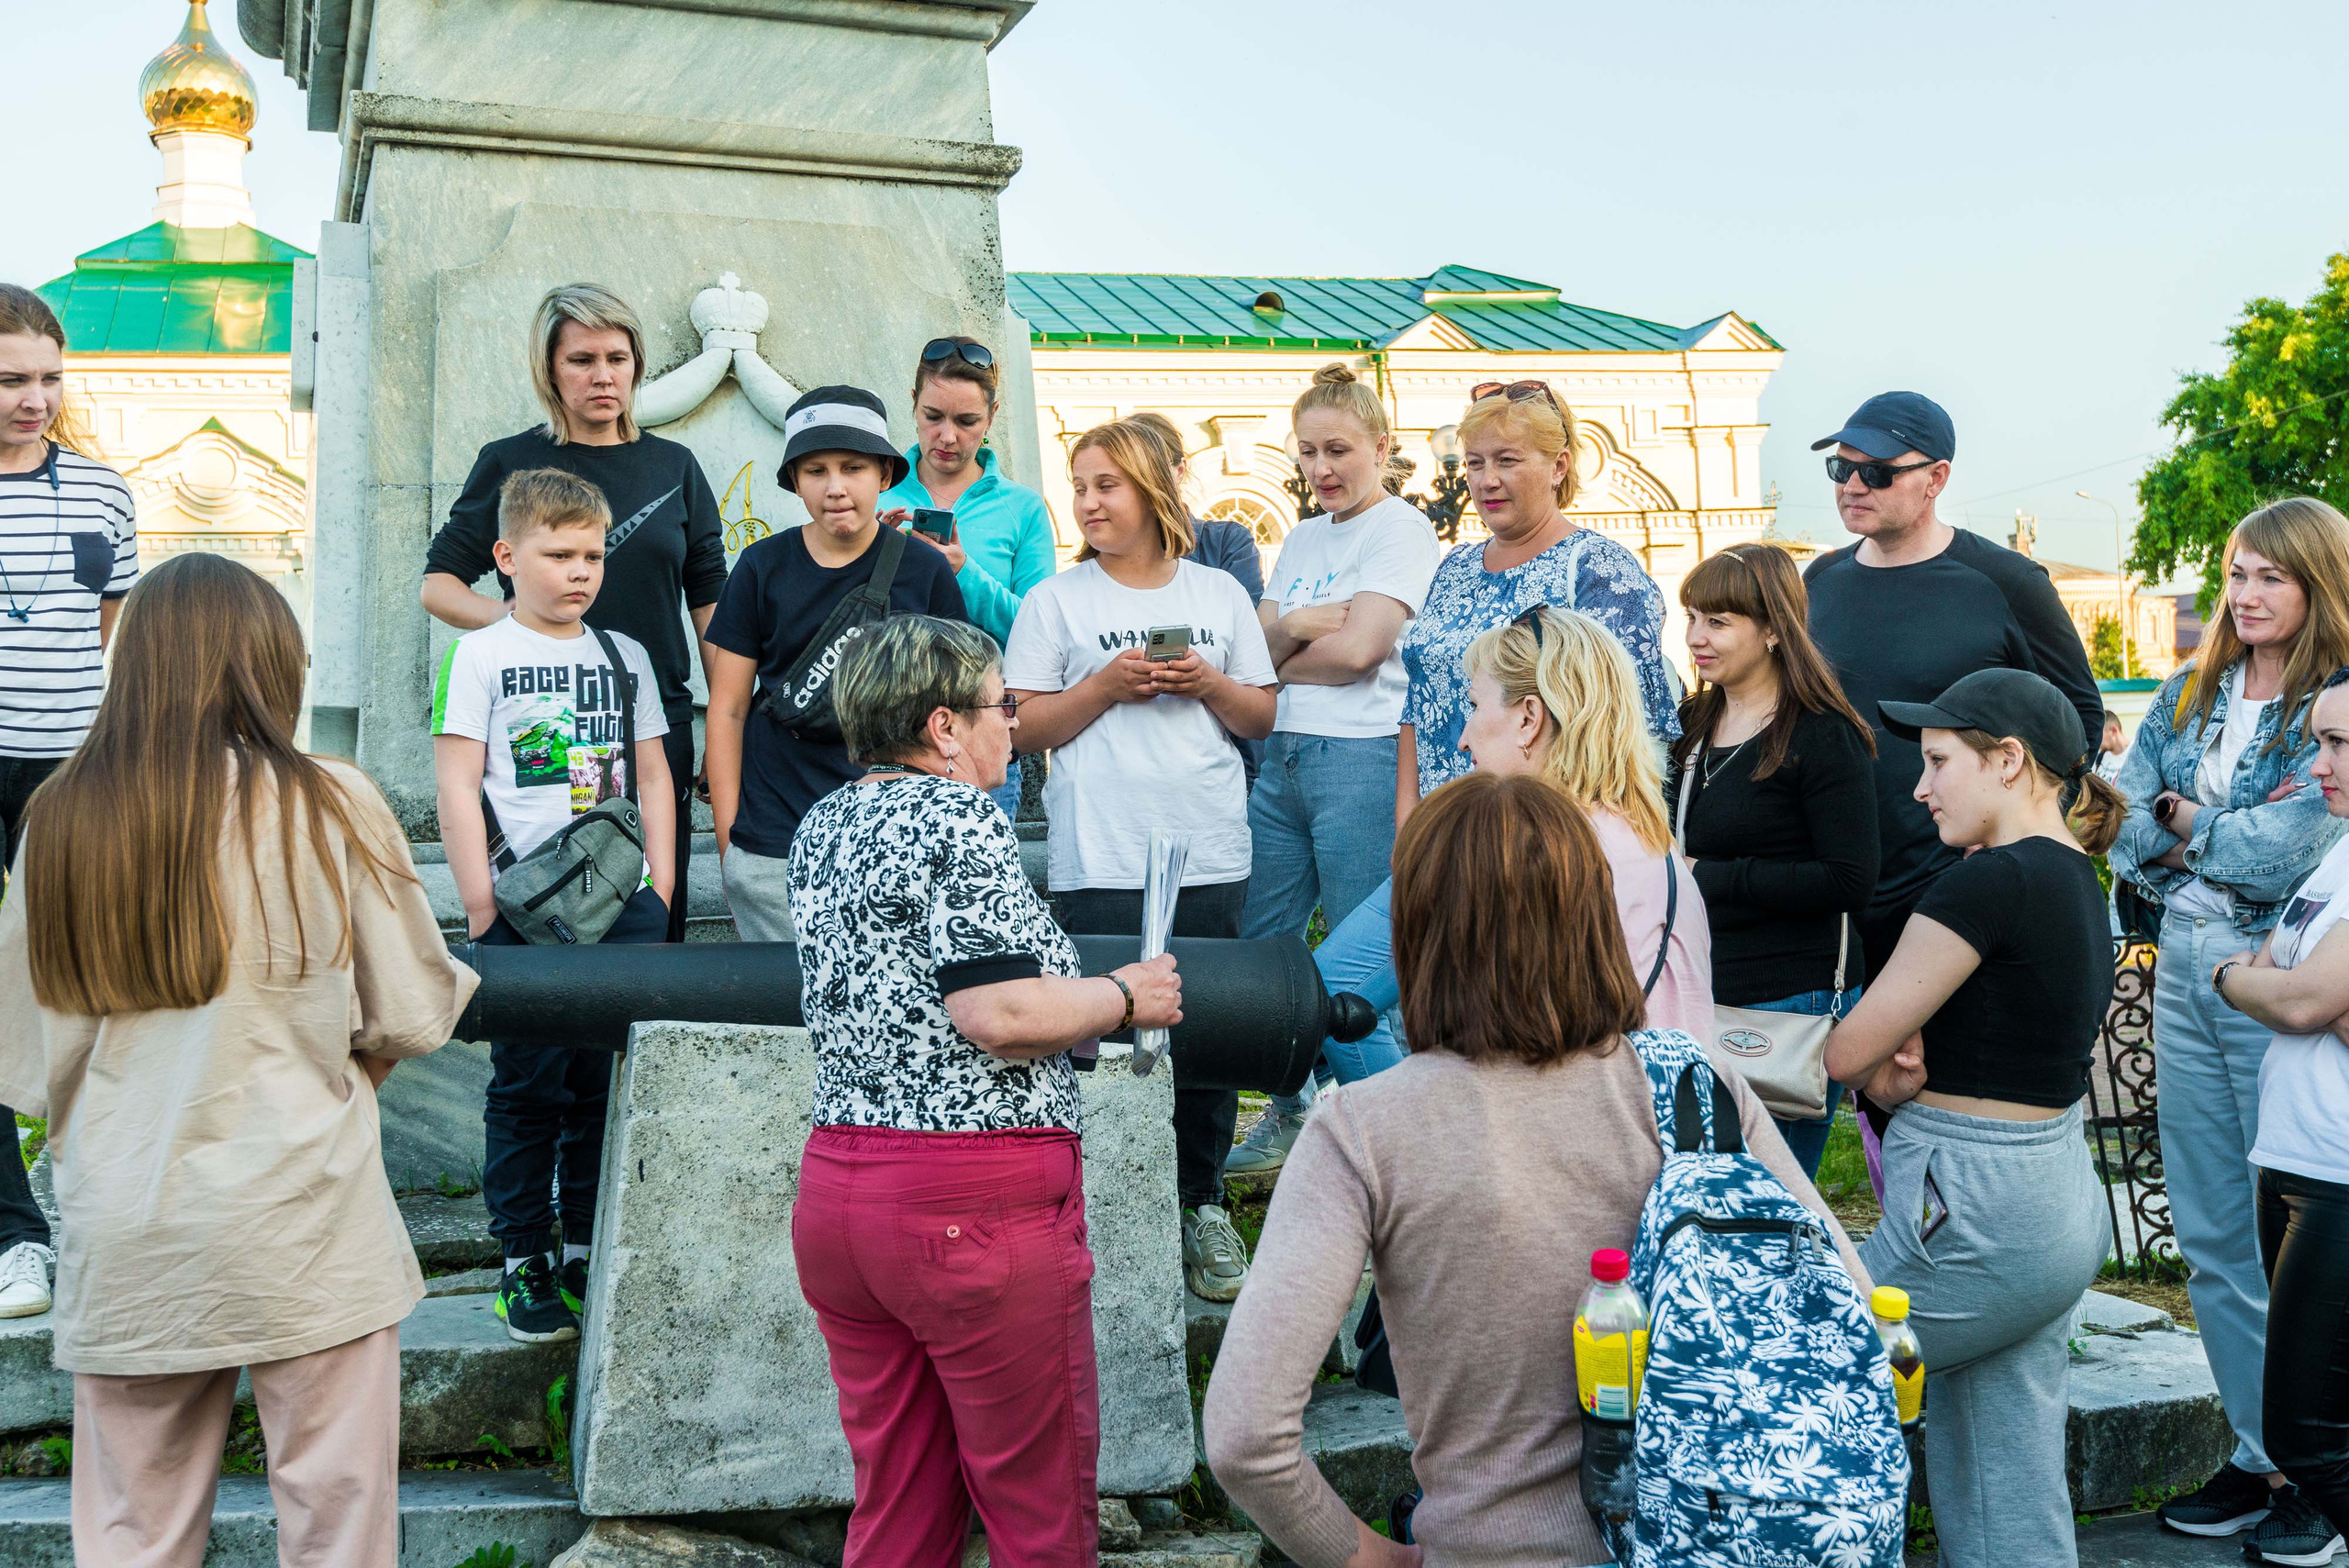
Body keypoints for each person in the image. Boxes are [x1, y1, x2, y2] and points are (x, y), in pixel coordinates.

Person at [1203, 773, 1864, 1568]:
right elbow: (1853, 1302)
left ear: (1417, 929)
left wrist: (1375, 1559)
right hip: (1711, 1540)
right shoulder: (1693, 1083)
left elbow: (1245, 1438)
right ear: (1592, 917)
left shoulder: (1363, 1128)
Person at [0, 552, 475, 1568]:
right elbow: (409, 1007)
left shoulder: (59, 819)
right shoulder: (330, 801)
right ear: (270, 665)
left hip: (129, 1225)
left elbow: (30, 1065)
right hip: (304, 1210)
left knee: (132, 1534)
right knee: (338, 1527)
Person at [788, 613, 1183, 1568]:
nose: (1013, 724)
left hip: (842, 1190)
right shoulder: (959, 816)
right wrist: (1125, 994)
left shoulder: (823, 822)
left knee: (899, 1503)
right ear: (943, 728)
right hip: (970, 1203)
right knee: (1035, 1508)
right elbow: (996, 1011)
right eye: (999, 705)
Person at [1824, 668, 2127, 1568]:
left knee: (1796, 1362)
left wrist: (1876, 1062)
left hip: (1970, 1209)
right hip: (2052, 1199)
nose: (1919, 787)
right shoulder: (2076, 875)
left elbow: (1844, 1054)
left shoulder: (1984, 884)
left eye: (1938, 761)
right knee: (2007, 1473)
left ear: (2008, 760)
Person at [2106, 497, 2349, 1540]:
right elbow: (2118, 823)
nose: (2245, 596)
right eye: (2236, 574)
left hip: (2274, 955)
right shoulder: (2189, 686)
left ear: (2317, 586)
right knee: (2208, 1224)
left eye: (2270, 578)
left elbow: (2285, 850)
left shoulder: (2331, 709)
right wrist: (2194, 829)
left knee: (2292, 1230)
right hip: (2185, 958)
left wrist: (2191, 829)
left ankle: (2316, 1467)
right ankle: (2256, 1453)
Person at [1003, 418, 1276, 1302]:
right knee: (1103, 1032)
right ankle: (1112, 1207)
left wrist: (1208, 684)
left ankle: (1200, 1203)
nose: (1086, 501)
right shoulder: (1057, 601)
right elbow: (1020, 727)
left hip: (1207, 846)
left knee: (1205, 1029)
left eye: (1106, 484)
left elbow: (1260, 716)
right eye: (1079, 485)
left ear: (1154, 488)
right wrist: (1105, 687)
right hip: (1103, 851)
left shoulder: (1220, 592)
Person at [432, 468, 676, 1343]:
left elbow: (652, 772)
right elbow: (458, 784)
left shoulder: (625, 657)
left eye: (594, 554)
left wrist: (663, 886)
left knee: (600, 1086)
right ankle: (524, 1255)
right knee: (530, 1085)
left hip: (624, 905)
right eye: (559, 553)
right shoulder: (481, 655)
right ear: (506, 556)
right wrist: (479, 908)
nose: (581, 571)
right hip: (527, 910)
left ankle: (585, 1242)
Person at [422, 283, 724, 945]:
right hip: (540, 727)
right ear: (550, 371)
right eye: (581, 360)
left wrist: (729, 724)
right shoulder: (511, 461)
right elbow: (439, 585)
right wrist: (525, 632)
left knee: (638, 929)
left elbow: (711, 604)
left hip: (648, 724)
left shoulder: (674, 466)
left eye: (617, 358)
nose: (602, 375)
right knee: (552, 922)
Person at [1801, 390, 2101, 992]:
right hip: (1835, 892)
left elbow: (2077, 722)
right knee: (1845, 1078)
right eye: (1842, 467)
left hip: (1953, 890)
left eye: (1878, 472)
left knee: (1943, 1082)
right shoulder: (1820, 582)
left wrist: (2011, 835)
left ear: (1935, 478)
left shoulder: (2006, 582)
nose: (1853, 485)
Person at [1226, 366, 1440, 1177]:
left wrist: (1282, 647)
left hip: (1363, 757)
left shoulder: (1401, 530)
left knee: (1366, 962)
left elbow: (1356, 654)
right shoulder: (1307, 535)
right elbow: (1251, 647)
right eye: (1309, 451)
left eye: (1340, 449)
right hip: (1282, 756)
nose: (1322, 468)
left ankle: (1399, 1135)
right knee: (1263, 946)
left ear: (1381, 447)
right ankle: (1295, 1109)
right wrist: (1285, 643)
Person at [705, 386, 968, 941]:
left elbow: (960, 713)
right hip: (776, 843)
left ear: (884, 475)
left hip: (896, 840)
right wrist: (730, 846)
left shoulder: (924, 570)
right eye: (816, 470)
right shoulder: (760, 567)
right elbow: (726, 710)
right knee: (786, 1021)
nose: (836, 487)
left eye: (853, 467)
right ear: (795, 481)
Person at [0, 283, 138, 1319]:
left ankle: (104, 1201)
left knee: (91, 984)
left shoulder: (103, 493)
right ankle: (16, 1237)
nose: (32, 399)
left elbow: (110, 638)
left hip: (71, 775)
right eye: (10, 380)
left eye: (48, 378)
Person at [1667, 542, 1880, 1176]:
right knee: (1706, 1187)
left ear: (1770, 630)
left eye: (1718, 621)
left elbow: (1850, 878)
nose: (1697, 637)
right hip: (1704, 989)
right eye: (1692, 618)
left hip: (1791, 999)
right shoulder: (1694, 721)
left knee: (1770, 1200)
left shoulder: (1821, 732)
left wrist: (1713, 875)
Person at [2204, 666, 2349, 1568]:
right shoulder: (2336, 849)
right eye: (2321, 738)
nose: (2321, 761)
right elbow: (2296, 984)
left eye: (2341, 744)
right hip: (2292, 1157)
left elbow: (2294, 998)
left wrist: (2233, 976)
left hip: (2339, 1174)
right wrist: (2277, 981)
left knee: (2306, 1437)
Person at [1397, 379, 1679, 826]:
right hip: (1441, 832)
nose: (1486, 480)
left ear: (1558, 467)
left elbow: (1627, 731)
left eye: (1507, 460)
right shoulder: (1456, 566)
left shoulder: (1596, 568)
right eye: (1474, 463)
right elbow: (1418, 703)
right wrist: (1409, 830)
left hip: (1537, 839)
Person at [876, 336, 1058, 818]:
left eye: (966, 421)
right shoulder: (874, 491)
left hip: (979, 736)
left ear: (992, 417)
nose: (947, 436)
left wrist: (962, 571)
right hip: (883, 735)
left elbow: (1040, 631)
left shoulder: (1022, 508)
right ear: (913, 405)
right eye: (933, 416)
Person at [1129, 411, 1270, 789]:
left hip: (1228, 751)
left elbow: (1249, 639)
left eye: (1154, 469)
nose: (1145, 485)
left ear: (1179, 470)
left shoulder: (1225, 541)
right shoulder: (1101, 563)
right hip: (1137, 760)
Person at [2096, 707, 2131, 782]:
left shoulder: (2135, 755)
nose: (2097, 739)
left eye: (2100, 735)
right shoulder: (2101, 756)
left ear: (2114, 730)